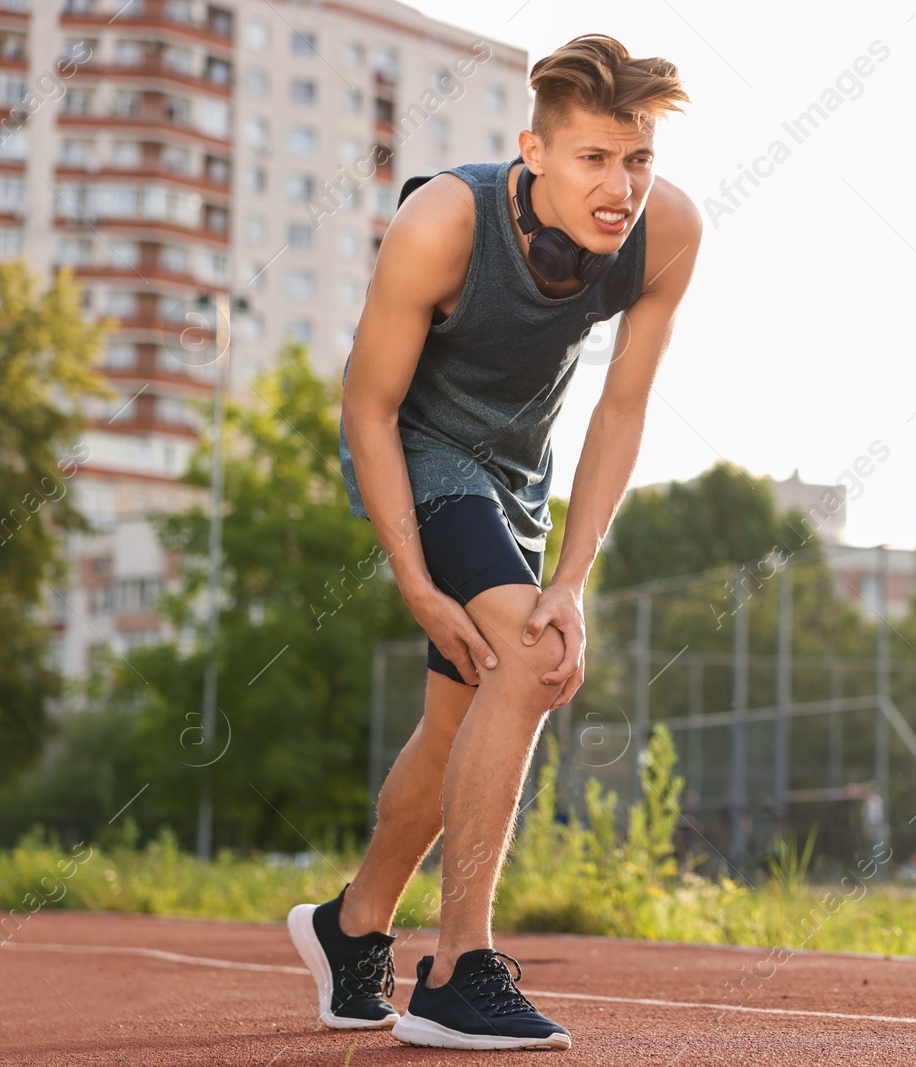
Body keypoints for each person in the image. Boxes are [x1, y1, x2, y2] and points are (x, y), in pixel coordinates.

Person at [285, 33, 698, 1052]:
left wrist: (571, 577)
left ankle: (351, 927)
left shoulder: (666, 231)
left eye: (636, 158)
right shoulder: (444, 223)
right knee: (532, 655)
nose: (621, 186)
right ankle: (456, 968)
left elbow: (620, 411)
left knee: (457, 719)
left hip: (517, 480)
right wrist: (419, 584)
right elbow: (369, 409)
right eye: (594, 158)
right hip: (418, 451)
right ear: (535, 150)